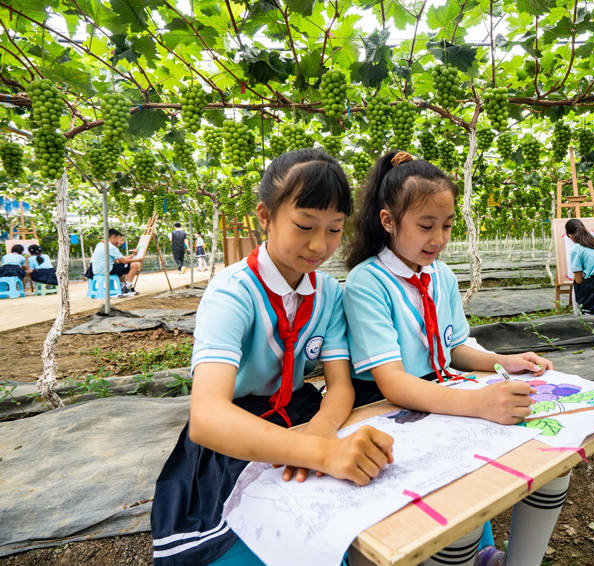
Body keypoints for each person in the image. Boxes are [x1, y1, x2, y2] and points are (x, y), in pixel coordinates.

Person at [150, 149, 394, 566]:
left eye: (335, 230)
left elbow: (339, 386)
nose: (320, 245)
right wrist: (322, 454)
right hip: (235, 433)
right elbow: (208, 418)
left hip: (302, 415)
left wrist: (318, 432)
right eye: (304, 226)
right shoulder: (233, 293)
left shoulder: (329, 294)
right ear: (265, 216)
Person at [343, 150, 569, 566]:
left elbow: (454, 348)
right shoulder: (366, 283)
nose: (439, 239)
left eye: (446, 226)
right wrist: (479, 404)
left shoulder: (441, 276)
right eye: (426, 226)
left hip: (442, 398)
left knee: (554, 470)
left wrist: (504, 361)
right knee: (456, 519)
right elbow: (391, 382)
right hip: (388, 409)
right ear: (388, 221)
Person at [89, 228, 143, 296]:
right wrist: (138, 260)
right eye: (119, 238)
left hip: (96, 270)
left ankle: (122, 286)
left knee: (121, 266)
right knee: (135, 265)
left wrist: (132, 255)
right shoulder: (111, 247)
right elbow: (124, 261)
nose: (119, 241)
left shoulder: (100, 244)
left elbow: (121, 259)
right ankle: (127, 287)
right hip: (105, 270)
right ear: (113, 237)